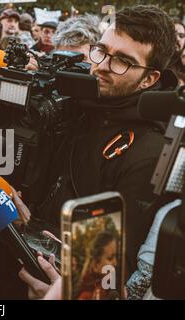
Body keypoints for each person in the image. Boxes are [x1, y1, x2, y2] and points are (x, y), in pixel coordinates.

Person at [22, 5, 178, 280]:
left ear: (149, 79)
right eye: (101, 50)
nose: (102, 66)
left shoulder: (150, 151)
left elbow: (109, 266)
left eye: (122, 61)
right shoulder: (74, 106)